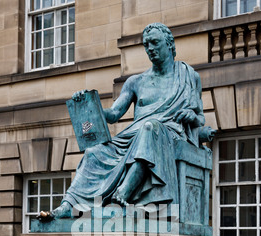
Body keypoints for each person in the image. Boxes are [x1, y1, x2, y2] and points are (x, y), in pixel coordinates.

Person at [39, 22, 209, 221]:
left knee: (150, 128)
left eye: (155, 43)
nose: (150, 49)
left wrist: (191, 116)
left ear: (170, 44)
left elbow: (200, 118)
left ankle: (123, 194)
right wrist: (88, 105)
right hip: (134, 136)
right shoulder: (136, 82)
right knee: (94, 152)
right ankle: (69, 205)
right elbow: (114, 113)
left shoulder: (189, 77)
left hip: (167, 134)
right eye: (146, 45)